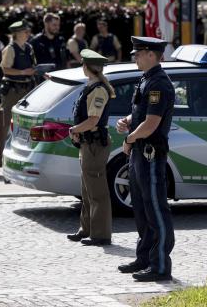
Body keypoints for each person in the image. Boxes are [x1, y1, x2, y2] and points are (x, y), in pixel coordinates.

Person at [116, 36, 175, 282]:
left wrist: (129, 139)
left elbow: (151, 124)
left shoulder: (159, 83)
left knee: (155, 209)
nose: (135, 57)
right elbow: (142, 113)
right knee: (141, 208)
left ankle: (160, 265)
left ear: (152, 54)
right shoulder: (147, 79)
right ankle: (145, 258)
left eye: (139, 54)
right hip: (141, 153)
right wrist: (129, 121)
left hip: (150, 152)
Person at [66, 49, 115, 246]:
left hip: (95, 143)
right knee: (86, 189)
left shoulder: (98, 90)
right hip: (88, 142)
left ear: (86, 67)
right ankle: (85, 229)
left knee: (97, 191)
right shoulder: (91, 86)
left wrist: (74, 129)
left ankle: (101, 234)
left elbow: (93, 119)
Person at [0, 21, 36, 129]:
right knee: (7, 120)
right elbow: (5, 69)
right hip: (12, 90)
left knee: (27, 120)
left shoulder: (29, 47)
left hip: (28, 89)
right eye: (26, 31)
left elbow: (34, 65)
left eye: (29, 31)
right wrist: (23, 72)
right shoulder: (10, 49)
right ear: (17, 33)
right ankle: (3, 145)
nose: (28, 33)